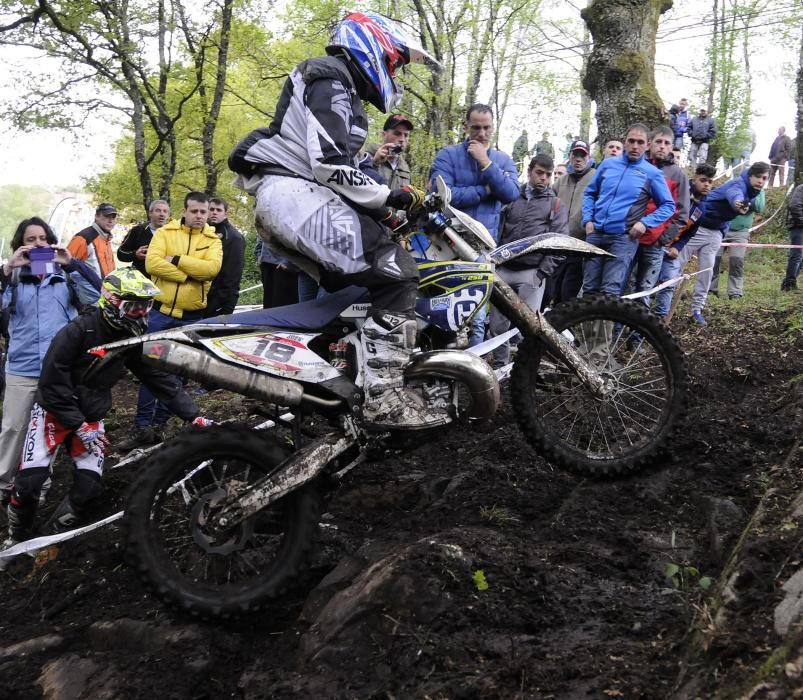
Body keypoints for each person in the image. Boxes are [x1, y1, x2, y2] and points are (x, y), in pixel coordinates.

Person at [227, 12, 447, 429]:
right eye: (396, 63)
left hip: (294, 200)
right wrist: (392, 195)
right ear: (373, 46)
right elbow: (329, 162)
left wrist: (383, 213)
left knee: (352, 299)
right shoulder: (331, 77)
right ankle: (385, 397)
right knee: (398, 272)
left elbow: (334, 169)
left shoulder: (341, 89)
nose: (396, 73)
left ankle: (333, 391)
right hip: (294, 198)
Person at [2, 268, 209, 550]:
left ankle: (47, 540)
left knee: (89, 490)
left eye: (145, 306)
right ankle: (16, 539)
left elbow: (158, 378)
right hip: (54, 411)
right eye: (132, 306)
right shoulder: (77, 331)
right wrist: (78, 425)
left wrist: (193, 414)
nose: (140, 313)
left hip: (92, 415)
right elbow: (51, 384)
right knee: (29, 485)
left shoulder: (131, 335)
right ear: (112, 302)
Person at [0, 218, 101, 504]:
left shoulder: (65, 276)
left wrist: (72, 264)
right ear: (20, 243)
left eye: (43, 238)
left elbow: (97, 296)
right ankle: (3, 484)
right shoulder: (13, 279)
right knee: (13, 428)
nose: (38, 244)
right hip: (23, 367)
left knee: (49, 431)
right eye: (30, 239)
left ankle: (38, 489)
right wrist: (8, 269)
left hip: (58, 372)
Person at [117, 191, 222, 450]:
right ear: (184, 211)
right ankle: (141, 427)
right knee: (149, 369)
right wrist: (188, 275)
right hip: (159, 313)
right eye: (194, 211)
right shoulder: (165, 234)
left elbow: (211, 270)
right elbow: (152, 264)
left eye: (204, 212)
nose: (199, 216)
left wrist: (175, 260)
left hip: (191, 316)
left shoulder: (213, 240)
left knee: (178, 373)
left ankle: (160, 426)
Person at [430, 103, 520, 346]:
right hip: (447, 243)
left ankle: (473, 370)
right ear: (466, 127)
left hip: (483, 247)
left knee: (477, 315)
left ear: (493, 128)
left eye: (486, 128)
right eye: (476, 127)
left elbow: (511, 193)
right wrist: (484, 190)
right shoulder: (448, 155)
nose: (481, 134)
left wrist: (486, 163)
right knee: (444, 308)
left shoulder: (502, 159)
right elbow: (443, 195)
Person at [489, 154, 568, 366]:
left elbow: (560, 242)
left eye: (548, 175)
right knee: (497, 324)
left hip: (531, 272)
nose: (544, 178)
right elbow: (498, 228)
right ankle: (499, 366)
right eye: (539, 173)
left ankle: (525, 370)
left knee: (528, 326)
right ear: (530, 172)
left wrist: (541, 273)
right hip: (503, 269)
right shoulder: (513, 197)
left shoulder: (556, 204)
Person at [581, 123, 675, 296]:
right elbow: (590, 192)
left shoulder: (652, 173)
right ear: (624, 142)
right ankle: (584, 324)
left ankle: (607, 324)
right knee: (589, 288)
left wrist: (645, 224)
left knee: (610, 291)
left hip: (623, 238)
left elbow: (668, 206)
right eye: (631, 141)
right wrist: (587, 219)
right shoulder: (607, 165)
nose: (635, 146)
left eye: (640, 142)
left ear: (647, 145)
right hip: (595, 233)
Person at [671, 161, 770, 325]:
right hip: (699, 226)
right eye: (758, 177)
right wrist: (737, 204)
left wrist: (723, 230)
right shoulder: (739, 184)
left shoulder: (754, 191)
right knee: (677, 264)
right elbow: (734, 195)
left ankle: (697, 309)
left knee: (707, 270)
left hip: (716, 232)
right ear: (750, 176)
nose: (761, 181)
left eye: (764, 178)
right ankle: (666, 301)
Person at [621, 126, 689, 308]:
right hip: (629, 237)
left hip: (655, 242)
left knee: (645, 288)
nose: (662, 146)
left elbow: (682, 213)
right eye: (658, 142)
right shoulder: (637, 166)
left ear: (672, 146)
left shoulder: (678, 175)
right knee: (623, 286)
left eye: (667, 143)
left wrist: (663, 239)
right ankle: (616, 331)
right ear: (650, 144)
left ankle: (637, 335)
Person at [653, 164, 716, 318]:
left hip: (672, 248)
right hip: (655, 243)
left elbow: (690, 232)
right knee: (645, 284)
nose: (706, 184)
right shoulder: (679, 193)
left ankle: (659, 321)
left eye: (709, 181)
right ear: (694, 179)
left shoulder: (702, 207)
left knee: (669, 284)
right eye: (703, 180)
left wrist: (678, 247)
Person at [549, 139, 596, 304]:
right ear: (570, 156)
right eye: (575, 155)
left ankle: (564, 326)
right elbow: (548, 202)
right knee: (552, 290)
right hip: (558, 244)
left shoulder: (595, 177)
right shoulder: (561, 181)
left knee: (568, 292)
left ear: (588, 157)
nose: (578, 159)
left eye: (582, 155)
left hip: (580, 244)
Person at [710, 185, 765, 299]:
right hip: (722, 227)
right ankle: (710, 289)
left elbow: (759, 207)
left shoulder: (759, 190)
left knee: (737, 262)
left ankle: (735, 291)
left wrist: (750, 196)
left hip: (741, 230)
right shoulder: (734, 185)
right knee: (714, 260)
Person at [204, 197, 246, 317]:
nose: (214, 212)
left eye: (218, 210)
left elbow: (233, 274)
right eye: (211, 209)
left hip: (222, 298)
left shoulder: (234, 237)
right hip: (204, 295)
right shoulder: (204, 232)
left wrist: (222, 300)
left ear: (225, 214)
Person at [116, 200, 171, 276]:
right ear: (150, 213)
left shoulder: (173, 233)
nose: (162, 214)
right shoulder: (137, 231)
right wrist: (135, 254)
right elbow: (121, 253)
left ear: (168, 215)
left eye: (165, 211)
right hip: (142, 281)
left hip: (165, 280)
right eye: (158, 210)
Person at [66, 203, 118, 279]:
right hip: (90, 290)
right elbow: (67, 265)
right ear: (96, 216)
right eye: (107, 216)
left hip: (106, 289)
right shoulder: (83, 238)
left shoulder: (106, 238)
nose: (110, 221)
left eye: (113, 218)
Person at [364, 113, 414, 190]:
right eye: (397, 133)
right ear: (384, 135)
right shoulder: (365, 157)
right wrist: (375, 163)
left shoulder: (405, 168)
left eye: (406, 135)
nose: (402, 139)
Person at [781, 182, 803, 291]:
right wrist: (801, 221)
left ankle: (789, 281)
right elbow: (795, 205)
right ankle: (789, 283)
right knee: (797, 255)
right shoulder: (801, 188)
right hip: (798, 226)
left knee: (801, 257)